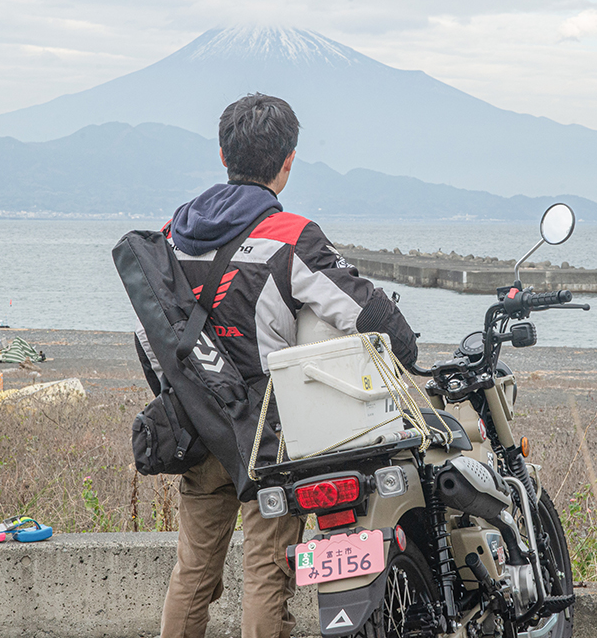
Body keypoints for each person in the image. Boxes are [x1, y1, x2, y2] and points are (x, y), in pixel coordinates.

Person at [139, 93, 418, 638]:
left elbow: (155, 336)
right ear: (288, 161)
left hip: (197, 423)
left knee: (194, 571)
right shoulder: (289, 237)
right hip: (265, 432)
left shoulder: (170, 236)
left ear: (223, 154)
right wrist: (407, 352)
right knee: (266, 572)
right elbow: (369, 314)